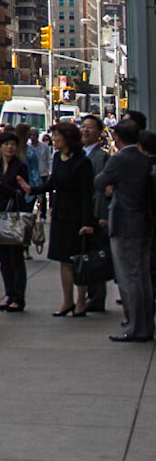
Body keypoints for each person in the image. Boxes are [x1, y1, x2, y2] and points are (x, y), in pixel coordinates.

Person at [101, 119, 154, 343]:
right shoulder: (145, 161)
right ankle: (144, 325)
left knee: (129, 277)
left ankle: (135, 327)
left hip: (124, 223)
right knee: (142, 277)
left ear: (118, 138)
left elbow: (100, 181)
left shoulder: (119, 159)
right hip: (143, 223)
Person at [45, 120, 94, 317]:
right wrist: (31, 189)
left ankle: (81, 301)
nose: (54, 139)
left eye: (57, 136)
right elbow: (52, 184)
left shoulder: (82, 162)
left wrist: (87, 222)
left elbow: (86, 194)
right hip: (60, 214)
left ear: (68, 139)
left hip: (76, 217)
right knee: (63, 260)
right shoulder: (57, 158)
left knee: (78, 259)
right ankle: (67, 301)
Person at [0, 130, 32, 312]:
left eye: (13, 144)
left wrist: (1, 186)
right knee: (4, 259)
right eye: (6, 144)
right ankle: (9, 294)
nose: (10, 147)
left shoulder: (20, 167)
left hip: (14, 215)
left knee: (15, 258)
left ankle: (18, 297)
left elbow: (20, 193)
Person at [80, 113, 111, 314]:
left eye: (90, 127)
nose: (85, 130)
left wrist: (100, 216)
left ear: (100, 132)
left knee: (96, 256)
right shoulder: (78, 154)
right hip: (79, 213)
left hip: (95, 214)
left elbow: (102, 190)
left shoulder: (102, 157)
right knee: (84, 255)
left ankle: (97, 297)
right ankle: (88, 295)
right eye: (83, 126)